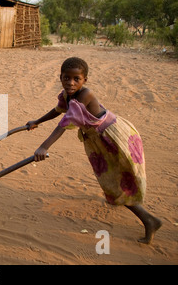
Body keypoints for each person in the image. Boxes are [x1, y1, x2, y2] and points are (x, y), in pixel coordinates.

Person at [25, 57, 162, 244]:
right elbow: (58, 110)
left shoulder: (85, 95)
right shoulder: (68, 95)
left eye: (76, 79)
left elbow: (64, 124)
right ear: (61, 77)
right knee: (111, 178)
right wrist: (37, 121)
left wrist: (44, 146)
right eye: (66, 78)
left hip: (113, 138)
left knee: (118, 180)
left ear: (84, 80)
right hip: (99, 139)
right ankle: (122, 199)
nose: (70, 83)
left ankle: (149, 219)